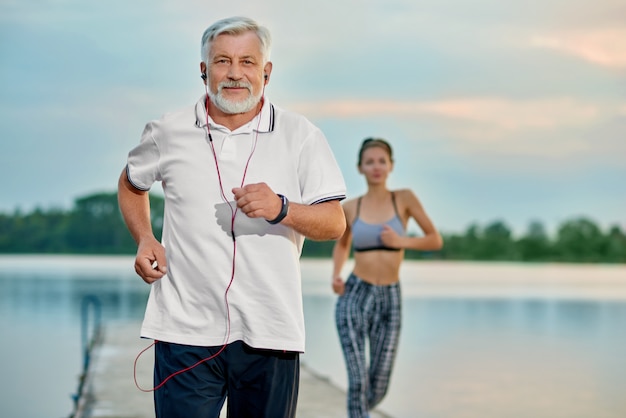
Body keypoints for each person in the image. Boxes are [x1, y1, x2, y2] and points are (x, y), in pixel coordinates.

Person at [117, 16, 346, 418]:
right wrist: (144, 238)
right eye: (222, 61)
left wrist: (282, 209)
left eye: (247, 62)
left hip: (271, 329)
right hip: (183, 329)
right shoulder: (167, 130)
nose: (235, 74)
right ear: (203, 70)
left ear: (267, 72)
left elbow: (334, 222)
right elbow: (131, 183)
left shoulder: (301, 135)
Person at [331, 137, 443, 418]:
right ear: (360, 168)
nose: (376, 166)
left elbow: (434, 240)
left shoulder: (403, 199)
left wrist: (401, 241)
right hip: (356, 294)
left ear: (391, 165)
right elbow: (343, 244)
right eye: (370, 162)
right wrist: (336, 275)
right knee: (358, 381)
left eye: (382, 161)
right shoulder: (351, 207)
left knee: (379, 384)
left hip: (390, 297)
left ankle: (358, 412)